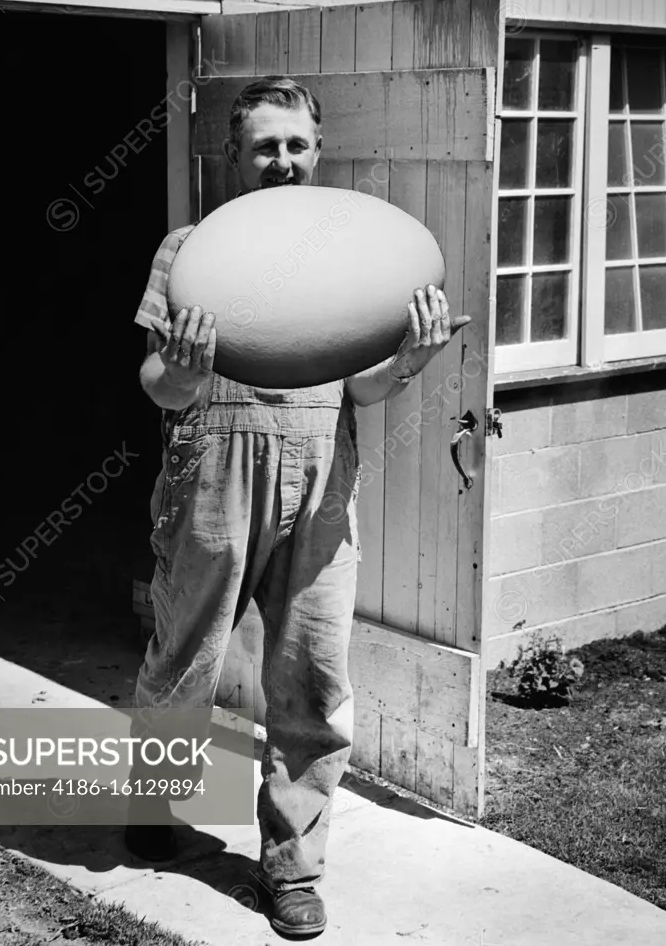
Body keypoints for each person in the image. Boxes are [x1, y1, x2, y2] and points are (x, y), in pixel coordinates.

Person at [125, 75, 469, 937]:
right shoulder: (188, 250)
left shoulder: (352, 253)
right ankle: (154, 805)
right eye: (263, 146)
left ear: (318, 151)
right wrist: (188, 370)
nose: (282, 160)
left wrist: (411, 364)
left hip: (322, 477)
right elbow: (156, 387)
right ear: (233, 156)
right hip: (212, 471)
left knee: (311, 680)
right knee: (184, 663)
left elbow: (365, 385)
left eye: (296, 145)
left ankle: (292, 866)